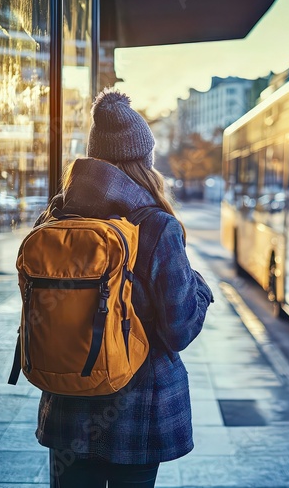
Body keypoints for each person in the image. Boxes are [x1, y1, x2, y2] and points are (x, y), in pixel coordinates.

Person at [35, 88, 214, 487]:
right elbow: (180, 329)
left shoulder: (55, 216)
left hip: (67, 401)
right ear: (144, 160)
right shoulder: (155, 226)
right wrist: (201, 288)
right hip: (137, 411)